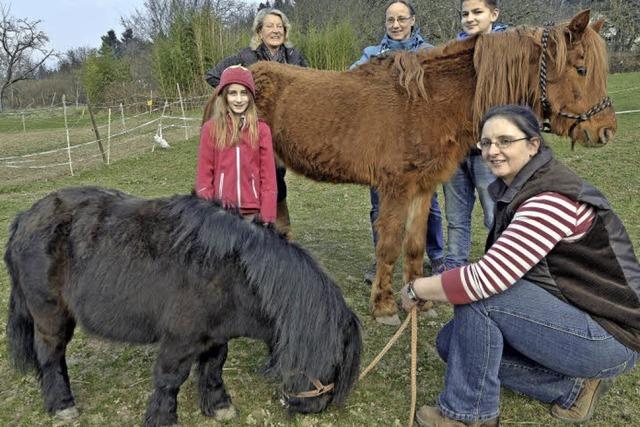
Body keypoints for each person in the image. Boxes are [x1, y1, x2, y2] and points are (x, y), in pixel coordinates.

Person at [401, 104, 640, 426]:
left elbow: (486, 280)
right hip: (580, 313)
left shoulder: (549, 199)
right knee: (452, 344)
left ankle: (469, 414)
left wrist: (418, 288)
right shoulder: (528, 186)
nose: (492, 151)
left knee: (481, 297)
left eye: (505, 141)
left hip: (611, 336)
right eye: (485, 143)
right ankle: (574, 388)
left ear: (533, 145)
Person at [351, 0, 445, 283]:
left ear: (413, 20)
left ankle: (436, 256)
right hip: (382, 147)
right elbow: (350, 84)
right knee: (380, 205)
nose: (395, 25)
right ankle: (381, 258)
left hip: (421, 146)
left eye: (401, 19)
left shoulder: (430, 54)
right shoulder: (371, 54)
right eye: (390, 20)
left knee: (429, 204)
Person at [205, 8, 308, 238]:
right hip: (253, 127)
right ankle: (250, 226)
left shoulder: (294, 57)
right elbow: (212, 75)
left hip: (285, 131)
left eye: (279, 26)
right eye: (269, 26)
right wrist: (238, 96)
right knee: (255, 172)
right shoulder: (246, 57)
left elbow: (310, 86)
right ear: (259, 31)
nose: (275, 30)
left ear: (285, 31)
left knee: (276, 177)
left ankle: (280, 229)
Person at [441, 0, 508, 271]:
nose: (470, 19)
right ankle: (454, 264)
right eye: (465, 14)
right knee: (456, 216)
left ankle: (500, 264)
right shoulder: (452, 53)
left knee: (495, 212)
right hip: (456, 151)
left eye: (477, 12)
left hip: (489, 153)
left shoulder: (508, 51)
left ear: (494, 14)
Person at [196, 65, 277, 225]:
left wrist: (267, 215)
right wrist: (208, 211)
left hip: (252, 214)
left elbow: (268, 178)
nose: (239, 100)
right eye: (233, 93)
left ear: (251, 96)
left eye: (244, 93)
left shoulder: (262, 130)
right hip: (221, 213)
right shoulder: (210, 129)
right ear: (225, 96)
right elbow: (204, 177)